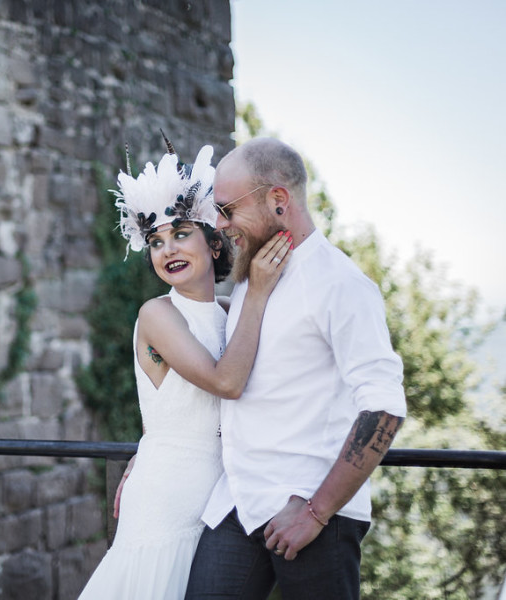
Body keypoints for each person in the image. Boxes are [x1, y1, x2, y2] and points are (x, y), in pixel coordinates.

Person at [184, 137, 408, 600]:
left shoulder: (341, 283)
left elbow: (384, 406)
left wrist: (317, 511)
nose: (221, 224)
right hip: (237, 502)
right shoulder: (254, 276)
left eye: (227, 209)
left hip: (308, 511)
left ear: (278, 200)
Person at [78, 138, 293, 599]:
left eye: (180, 234)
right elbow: (225, 381)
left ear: (214, 244)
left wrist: (253, 295)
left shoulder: (229, 312)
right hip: (166, 497)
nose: (166, 249)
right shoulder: (157, 315)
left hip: (217, 503)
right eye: (155, 241)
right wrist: (256, 291)